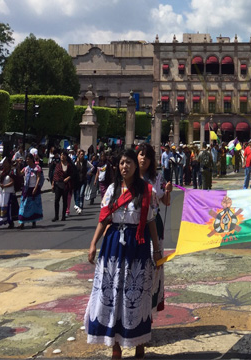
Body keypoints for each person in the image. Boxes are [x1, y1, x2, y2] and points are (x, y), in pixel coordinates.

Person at [85, 149, 160, 359]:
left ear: (136, 166)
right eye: (121, 163)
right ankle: (115, 345)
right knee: (113, 293)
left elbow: (152, 221)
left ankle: (139, 343)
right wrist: (93, 244)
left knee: (136, 294)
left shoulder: (147, 190)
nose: (124, 167)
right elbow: (103, 219)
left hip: (137, 245)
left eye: (128, 163)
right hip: (113, 246)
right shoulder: (112, 189)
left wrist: (157, 250)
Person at [137, 143, 172, 315]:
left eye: (147, 156)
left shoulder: (157, 178)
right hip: (134, 224)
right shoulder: (130, 176)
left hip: (155, 225)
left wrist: (168, 192)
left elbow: (166, 202)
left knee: (154, 264)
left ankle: (149, 310)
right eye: (141, 155)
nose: (144, 158)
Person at [18, 154, 43, 229]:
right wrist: (18, 166)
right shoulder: (26, 168)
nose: (27, 161)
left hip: (34, 188)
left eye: (29, 159)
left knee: (33, 205)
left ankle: (33, 221)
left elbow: (38, 178)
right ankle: (22, 221)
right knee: (24, 205)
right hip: (26, 189)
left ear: (32, 159)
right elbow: (20, 174)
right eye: (26, 159)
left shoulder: (37, 168)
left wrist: (36, 187)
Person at [0, 158, 17, 230]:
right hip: (1, 192)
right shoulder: (2, 172)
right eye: (4, 163)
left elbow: (12, 182)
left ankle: (10, 222)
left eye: (6, 163)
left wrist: (5, 186)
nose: (5, 164)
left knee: (8, 208)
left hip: (8, 192)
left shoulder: (11, 172)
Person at [51, 150, 74, 222]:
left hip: (65, 185)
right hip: (58, 184)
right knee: (56, 200)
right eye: (61, 155)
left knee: (64, 201)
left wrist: (68, 178)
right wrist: (53, 184)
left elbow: (72, 174)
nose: (62, 156)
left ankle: (63, 216)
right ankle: (56, 216)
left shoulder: (69, 165)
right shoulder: (58, 165)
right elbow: (55, 175)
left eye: (63, 155)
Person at [74, 150, 92, 214]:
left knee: (81, 194)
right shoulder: (76, 162)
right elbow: (73, 169)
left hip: (84, 180)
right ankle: (78, 206)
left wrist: (88, 172)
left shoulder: (85, 162)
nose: (82, 156)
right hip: (77, 180)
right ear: (78, 155)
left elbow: (92, 167)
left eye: (83, 154)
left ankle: (81, 207)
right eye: (81, 154)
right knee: (77, 194)